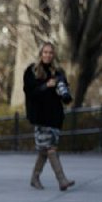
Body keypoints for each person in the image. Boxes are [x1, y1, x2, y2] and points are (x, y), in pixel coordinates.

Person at [24, 42, 75, 191]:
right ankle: (62, 180)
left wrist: (64, 91)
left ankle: (35, 178)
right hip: (40, 116)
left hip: (55, 116)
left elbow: (65, 96)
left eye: (50, 52)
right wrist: (47, 85)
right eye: (45, 52)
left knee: (44, 150)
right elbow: (30, 92)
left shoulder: (58, 72)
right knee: (51, 148)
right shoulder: (31, 71)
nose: (47, 55)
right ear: (40, 54)